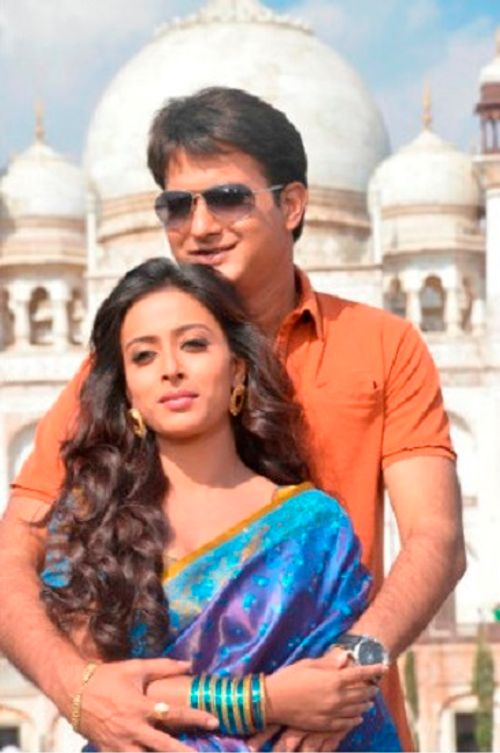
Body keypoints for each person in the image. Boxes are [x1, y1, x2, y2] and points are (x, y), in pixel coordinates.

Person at [0, 87, 465, 752]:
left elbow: (436, 537)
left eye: (227, 198)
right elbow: (13, 553)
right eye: (176, 205)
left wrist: (350, 665)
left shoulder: (379, 345)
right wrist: (74, 687)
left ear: (292, 205)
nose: (200, 226)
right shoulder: (116, 375)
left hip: (339, 725)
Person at [40, 256, 399, 752]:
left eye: (194, 344)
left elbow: (335, 692)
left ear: (237, 370)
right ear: (127, 394)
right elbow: (98, 689)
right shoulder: (91, 520)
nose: (171, 369)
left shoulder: (313, 527)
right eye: (143, 356)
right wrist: (265, 700)